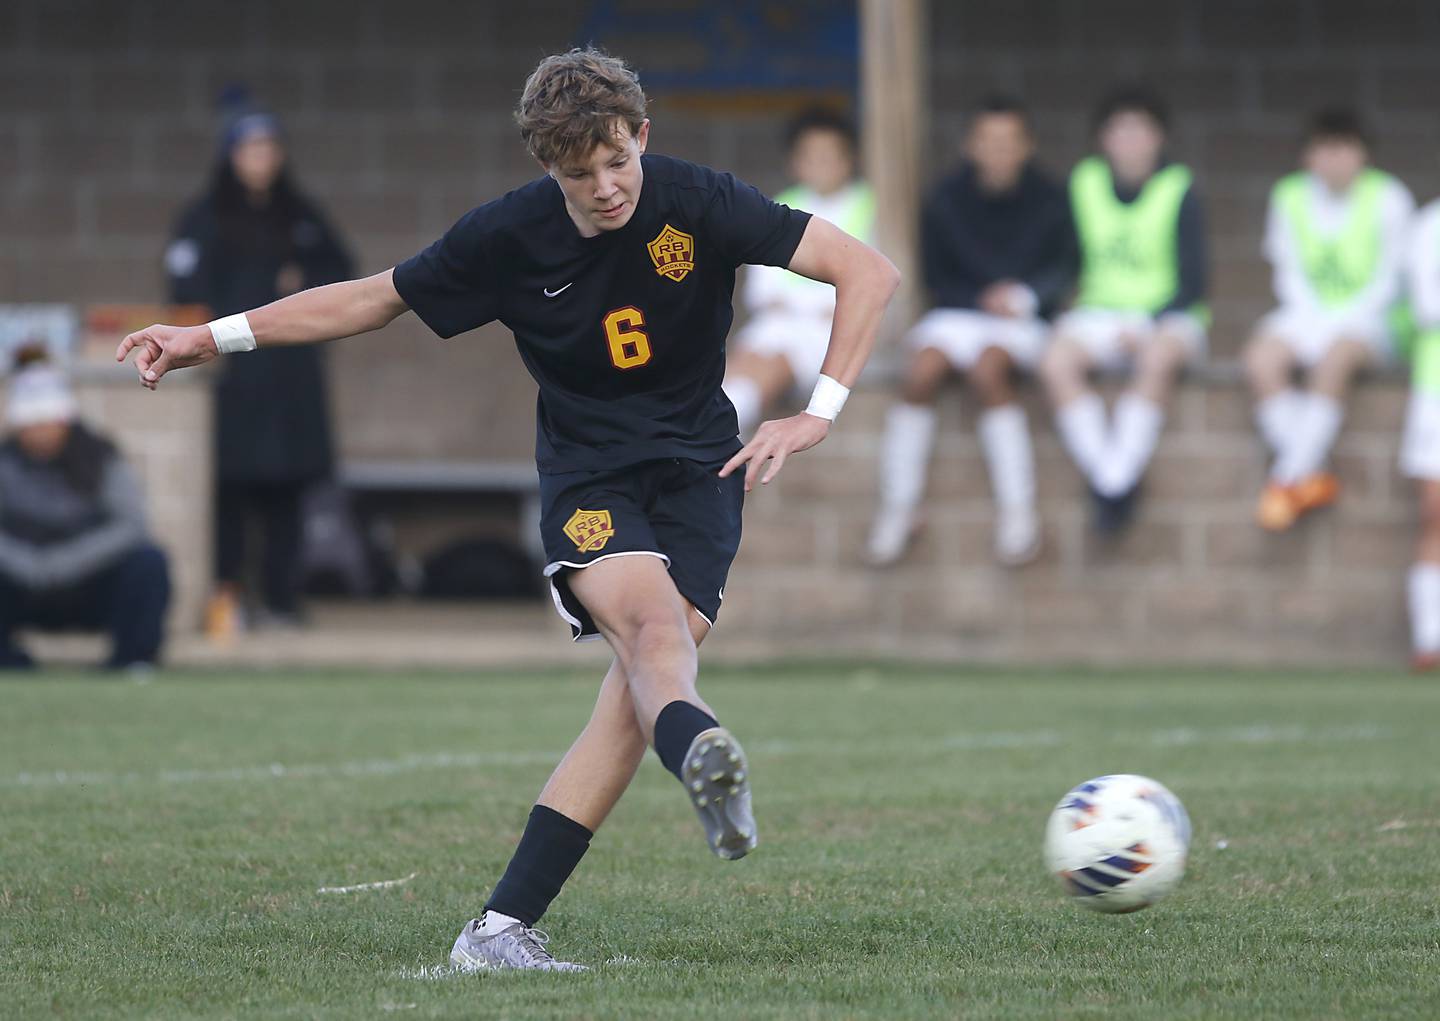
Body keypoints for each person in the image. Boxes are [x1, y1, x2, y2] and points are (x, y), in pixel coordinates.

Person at [118, 49, 898, 970]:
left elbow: (867, 271)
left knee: (640, 689)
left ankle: (499, 928)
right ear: (546, 168)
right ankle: (701, 749)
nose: (607, 188)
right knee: (654, 640)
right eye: (580, 174)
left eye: (619, 161)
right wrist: (210, 336)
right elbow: (370, 301)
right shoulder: (506, 238)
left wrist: (819, 412)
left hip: (701, 472)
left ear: (641, 135)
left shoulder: (699, 198)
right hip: (590, 477)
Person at [165, 91, 354, 636]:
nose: (262, 159)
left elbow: (343, 275)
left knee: (288, 491)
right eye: (250, 148)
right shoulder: (204, 218)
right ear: (231, 155)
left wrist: (304, 282)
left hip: (290, 376)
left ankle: (282, 600)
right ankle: (227, 596)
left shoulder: (300, 215)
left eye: (270, 148)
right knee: (230, 489)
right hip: (232, 378)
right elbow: (185, 288)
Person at [867, 96, 1074, 567]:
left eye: (1009, 141)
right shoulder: (945, 197)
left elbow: (1064, 269)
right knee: (920, 371)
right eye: (988, 141)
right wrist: (978, 299)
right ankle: (899, 507)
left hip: (1024, 319)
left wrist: (1023, 298)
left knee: (988, 370)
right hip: (959, 312)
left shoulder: (1051, 197)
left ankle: (1018, 513)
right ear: (971, 146)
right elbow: (937, 276)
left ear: (1027, 146)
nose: (998, 150)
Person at [1039, 86, 1208, 535]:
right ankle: (1112, 477)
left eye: (1140, 130)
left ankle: (1114, 479)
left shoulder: (1178, 187)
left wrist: (1147, 324)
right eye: (1120, 130)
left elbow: (1194, 283)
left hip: (1166, 316)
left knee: (1158, 358)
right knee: (1056, 361)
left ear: (1159, 138)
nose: (1130, 141)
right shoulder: (1085, 182)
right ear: (1104, 138)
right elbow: (1067, 261)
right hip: (1099, 312)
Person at [1245, 110, 1415, 531]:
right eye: (1324, 148)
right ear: (1308, 156)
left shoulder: (1390, 197)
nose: (1334, 159)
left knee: (1335, 359)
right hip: (1307, 313)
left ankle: (1284, 479)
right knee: (1261, 358)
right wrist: (1314, 322)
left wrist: (1342, 322)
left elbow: (1391, 280)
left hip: (1372, 320)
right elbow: (1288, 273)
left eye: (1344, 149)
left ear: (1363, 155)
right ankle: (1309, 472)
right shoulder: (1288, 195)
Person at [0, 352, 170, 671]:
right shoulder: (5, 463)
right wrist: (30, 564)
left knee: (149, 562)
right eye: (30, 424)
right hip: (22, 581)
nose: (39, 432)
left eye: (46, 421)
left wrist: (63, 562)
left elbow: (131, 525)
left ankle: (133, 661)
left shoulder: (100, 459)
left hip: (91, 580)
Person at [722, 108, 875, 437]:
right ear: (795, 161)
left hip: (830, 332)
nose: (821, 165)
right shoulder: (781, 205)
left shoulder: (869, 207)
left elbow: (866, 286)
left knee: (774, 363)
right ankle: (718, 431)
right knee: (742, 362)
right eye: (811, 156)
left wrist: (802, 305)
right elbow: (762, 291)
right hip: (779, 323)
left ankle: (722, 435)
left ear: (850, 159)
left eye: (830, 156)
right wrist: (805, 305)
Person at [1403, 191, 1440, 672]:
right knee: (1435, 510)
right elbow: (1426, 305)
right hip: (1437, 386)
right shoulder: (1431, 224)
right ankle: (1431, 636)